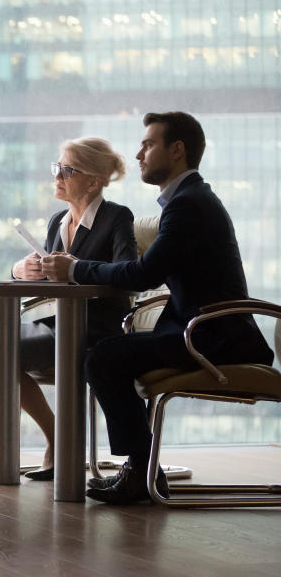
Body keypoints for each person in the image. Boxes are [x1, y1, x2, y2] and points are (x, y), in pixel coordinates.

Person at [42, 112, 274, 504]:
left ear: (177, 150)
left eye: (148, 144)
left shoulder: (189, 205)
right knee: (109, 355)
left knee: (104, 358)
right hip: (201, 331)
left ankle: (140, 470)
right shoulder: (188, 201)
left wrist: (76, 267)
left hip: (215, 338)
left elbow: (143, 274)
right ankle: (143, 467)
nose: (138, 153)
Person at [0, 138, 137, 481]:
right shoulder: (57, 222)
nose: (57, 177)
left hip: (93, 330)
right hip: (53, 323)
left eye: (67, 170)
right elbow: (50, 280)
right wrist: (20, 270)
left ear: (94, 181)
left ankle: (55, 438)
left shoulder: (116, 218)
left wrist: (75, 266)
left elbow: (127, 273)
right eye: (57, 168)